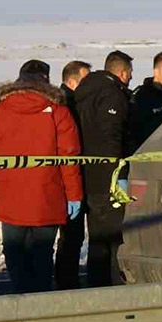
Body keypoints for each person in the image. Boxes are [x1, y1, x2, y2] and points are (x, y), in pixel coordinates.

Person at [0, 60, 84, 294]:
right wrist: (74, 194)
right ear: (46, 80)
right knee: (42, 253)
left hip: (9, 195)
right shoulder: (58, 111)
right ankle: (39, 300)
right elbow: (68, 156)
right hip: (47, 196)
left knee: (15, 252)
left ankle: (21, 296)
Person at [75, 50, 134, 286]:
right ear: (122, 72)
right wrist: (117, 175)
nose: (130, 79)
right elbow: (111, 136)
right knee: (112, 237)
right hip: (106, 178)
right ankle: (111, 285)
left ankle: (97, 283)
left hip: (87, 175)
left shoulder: (85, 92)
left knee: (98, 236)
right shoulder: (112, 95)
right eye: (129, 73)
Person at [53, 60, 92, 290]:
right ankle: (66, 279)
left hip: (70, 177)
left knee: (71, 235)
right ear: (71, 81)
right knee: (71, 235)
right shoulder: (65, 104)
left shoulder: (70, 101)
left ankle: (66, 277)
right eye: (84, 81)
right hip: (67, 179)